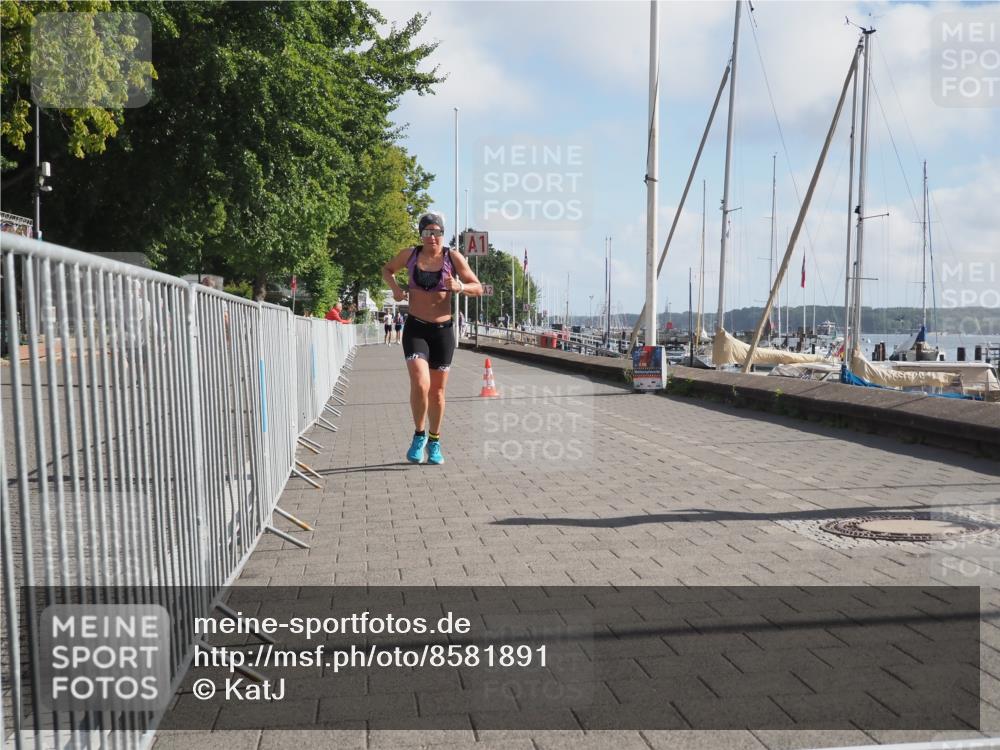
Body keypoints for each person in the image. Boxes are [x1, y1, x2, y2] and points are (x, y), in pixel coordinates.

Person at [381, 212, 482, 465]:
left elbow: (478, 287)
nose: (432, 237)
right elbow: (387, 270)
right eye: (427, 232)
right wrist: (395, 289)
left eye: (437, 232)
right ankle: (419, 434)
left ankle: (434, 441)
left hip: (443, 332)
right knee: (420, 382)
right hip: (416, 328)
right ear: (421, 234)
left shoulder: (453, 257)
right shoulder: (410, 255)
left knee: (437, 392)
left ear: (442, 234)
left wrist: (460, 287)